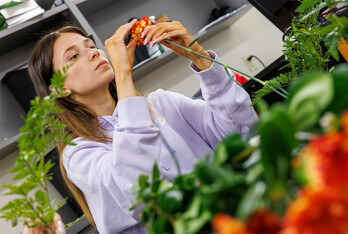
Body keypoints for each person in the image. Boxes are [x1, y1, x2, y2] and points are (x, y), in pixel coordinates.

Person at [28, 19, 258, 234]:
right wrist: (122, 73)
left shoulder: (161, 103)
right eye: (73, 56)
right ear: (59, 90)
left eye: (90, 45)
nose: (93, 53)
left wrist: (200, 57)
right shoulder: (78, 154)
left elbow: (241, 133)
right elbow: (137, 186)